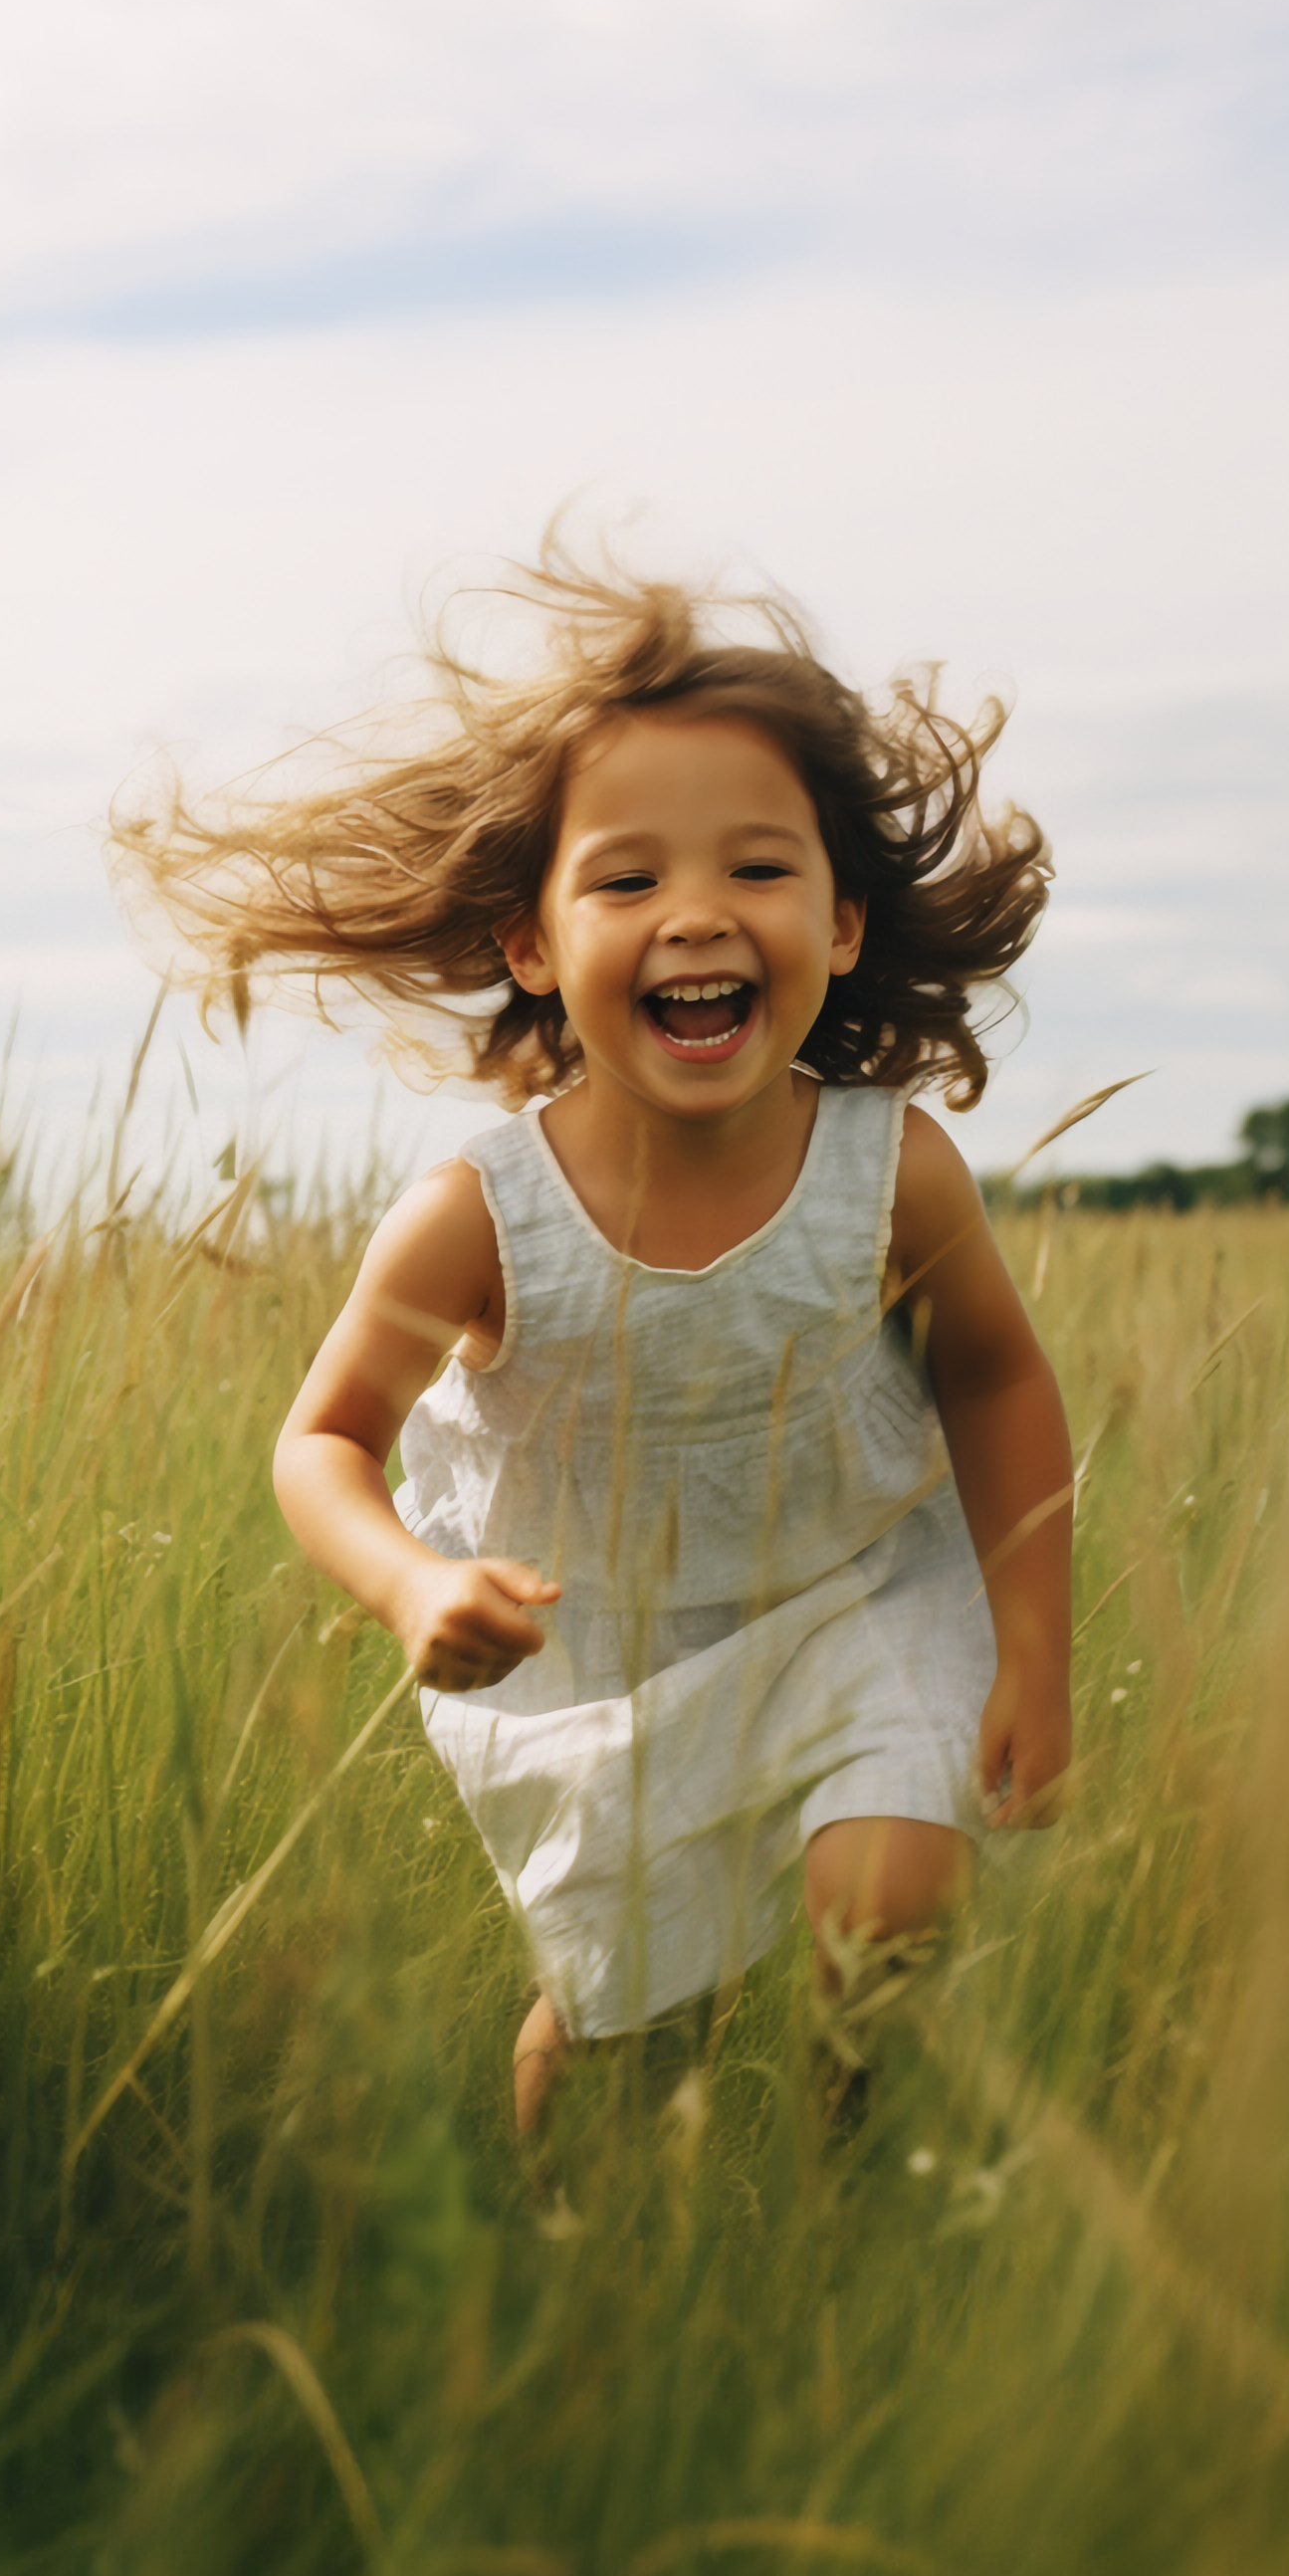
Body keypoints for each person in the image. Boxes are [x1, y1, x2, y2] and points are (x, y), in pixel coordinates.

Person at [115, 553, 1074, 2134]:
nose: (694, 915)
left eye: (755, 872)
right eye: (627, 883)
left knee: (890, 1889)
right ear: (534, 945)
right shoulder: (478, 1220)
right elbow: (323, 1440)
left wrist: (1031, 1645)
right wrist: (414, 1582)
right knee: (626, 2035)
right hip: (608, 1657)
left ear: (839, 924)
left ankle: (853, 2154)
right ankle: (582, 2237)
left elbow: (993, 1375)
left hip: (859, 1591)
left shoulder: (888, 1171)